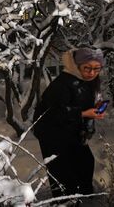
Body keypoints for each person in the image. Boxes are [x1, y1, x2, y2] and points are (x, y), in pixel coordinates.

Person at [33, 47, 106, 199]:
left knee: (85, 163)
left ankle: (84, 199)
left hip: (72, 131)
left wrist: (93, 111)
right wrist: (83, 113)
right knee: (63, 174)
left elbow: (83, 103)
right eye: (87, 68)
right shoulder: (62, 84)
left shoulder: (87, 81)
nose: (92, 73)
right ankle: (65, 201)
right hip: (52, 134)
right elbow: (53, 113)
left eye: (96, 69)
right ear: (78, 65)